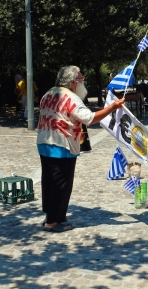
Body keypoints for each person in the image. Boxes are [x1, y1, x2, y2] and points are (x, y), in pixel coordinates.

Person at [37, 66, 125, 232]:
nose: (82, 82)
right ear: (72, 82)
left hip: (44, 142)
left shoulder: (48, 93)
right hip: (61, 145)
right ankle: (52, 222)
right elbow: (89, 118)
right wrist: (112, 107)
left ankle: (55, 216)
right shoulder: (71, 97)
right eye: (81, 79)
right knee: (60, 184)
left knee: (49, 182)